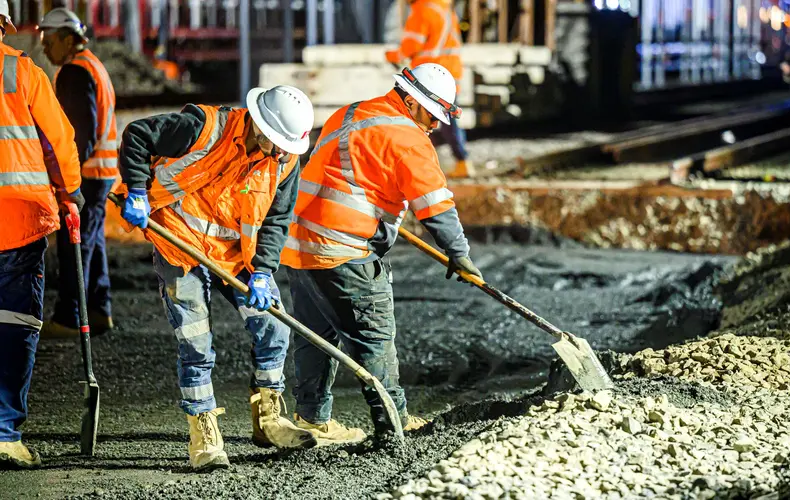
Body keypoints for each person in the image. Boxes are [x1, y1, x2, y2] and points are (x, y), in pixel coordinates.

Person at [281, 63, 483, 445]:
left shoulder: (351, 113)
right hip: (344, 250)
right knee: (374, 336)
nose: (435, 125)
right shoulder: (407, 137)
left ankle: (311, 418)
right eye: (431, 114)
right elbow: (436, 206)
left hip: (300, 245)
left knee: (314, 336)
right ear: (410, 100)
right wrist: (459, 254)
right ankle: (395, 423)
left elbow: (352, 176)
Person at [117, 85, 317, 471]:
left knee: (274, 326)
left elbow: (275, 220)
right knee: (196, 342)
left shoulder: (286, 160)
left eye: (285, 147)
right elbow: (138, 135)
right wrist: (138, 191)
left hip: (236, 253)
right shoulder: (202, 127)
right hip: (180, 241)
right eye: (274, 143)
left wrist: (262, 272)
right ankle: (204, 432)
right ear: (258, 124)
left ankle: (269, 417)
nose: (278, 153)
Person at [0, 0, 84, 468]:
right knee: (13, 324)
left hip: (18, 222)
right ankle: (5, 433)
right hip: (18, 222)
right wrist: (71, 192)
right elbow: (58, 140)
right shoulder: (24, 73)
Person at [38, 8, 119, 338]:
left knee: (75, 245)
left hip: (86, 174)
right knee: (92, 242)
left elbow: (80, 132)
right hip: (102, 172)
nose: (43, 47)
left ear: (67, 39)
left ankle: (70, 317)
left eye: (48, 40)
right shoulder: (92, 65)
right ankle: (99, 310)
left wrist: (64, 177)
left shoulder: (74, 72)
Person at [386, 0, 474, 178]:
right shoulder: (443, 8)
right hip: (448, 73)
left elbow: (411, 46)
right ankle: (452, 162)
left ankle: (459, 161)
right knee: (439, 121)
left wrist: (392, 55)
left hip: (431, 77)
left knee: (420, 120)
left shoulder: (422, 11)